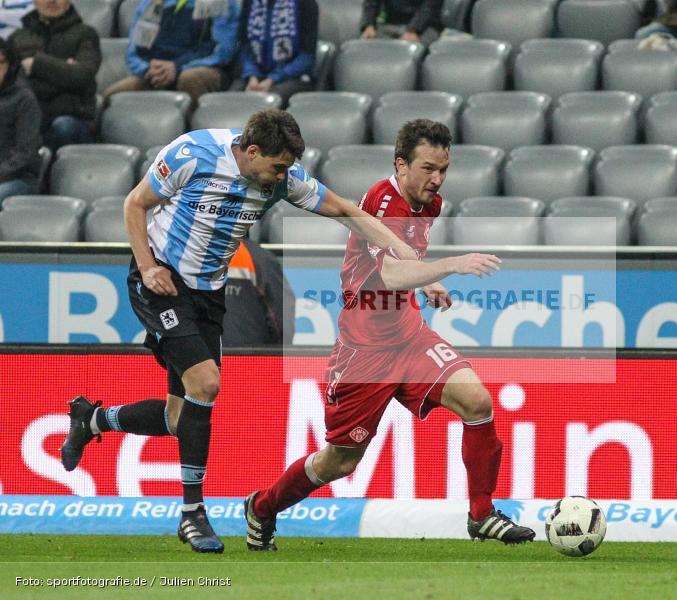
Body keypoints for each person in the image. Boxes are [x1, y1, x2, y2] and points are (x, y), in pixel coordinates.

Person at [59, 109, 419, 554]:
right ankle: (192, 514)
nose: (283, 177)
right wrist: (148, 267)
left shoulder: (281, 177)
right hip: (161, 281)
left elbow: (344, 209)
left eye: (287, 168)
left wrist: (402, 247)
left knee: (179, 418)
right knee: (206, 384)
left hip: (209, 293)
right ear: (251, 152)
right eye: (277, 167)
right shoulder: (193, 153)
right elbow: (135, 204)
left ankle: (92, 420)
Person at [242, 119, 536, 552]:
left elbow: (404, 264)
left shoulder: (428, 204)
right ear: (400, 164)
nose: (436, 180)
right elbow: (393, 271)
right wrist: (450, 265)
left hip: (409, 336)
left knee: (477, 402)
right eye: (428, 168)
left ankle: (482, 514)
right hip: (364, 353)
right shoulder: (383, 201)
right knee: (340, 460)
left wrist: (426, 280)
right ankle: (263, 508)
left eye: (444, 169)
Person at [104, 0, 240, 110]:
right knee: (111, 95)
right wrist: (147, 69)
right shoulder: (150, 3)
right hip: (156, 73)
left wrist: (177, 67)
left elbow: (222, 51)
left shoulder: (220, 2)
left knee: (190, 79)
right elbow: (135, 50)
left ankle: (196, 139)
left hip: (201, 69)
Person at [9, 0, 99, 150]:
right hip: (28, 121)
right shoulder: (18, 38)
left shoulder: (86, 34)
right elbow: (10, 83)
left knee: (63, 126)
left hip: (73, 121)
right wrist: (63, 71)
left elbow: (82, 76)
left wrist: (36, 64)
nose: (52, 0)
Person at [233, 0, 318, 101]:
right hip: (256, 75)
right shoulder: (250, 2)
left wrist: (273, 79)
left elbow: (307, 58)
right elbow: (245, 48)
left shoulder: (306, 3)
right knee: (231, 99)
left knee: (267, 103)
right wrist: (252, 75)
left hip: (292, 77)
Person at [222, 238, 296, 347]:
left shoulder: (191, 256)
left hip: (199, 359)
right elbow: (282, 321)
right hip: (251, 358)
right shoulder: (258, 257)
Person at [0, 36, 41, 202]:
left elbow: (25, 154)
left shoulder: (24, 99)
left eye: (0, 63)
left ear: (10, 66)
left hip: (16, 178)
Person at [360, 0, 443, 46]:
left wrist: (413, 30)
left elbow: (429, 8)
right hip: (391, 24)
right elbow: (371, 3)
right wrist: (369, 26)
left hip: (425, 27)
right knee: (368, 46)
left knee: (414, 49)